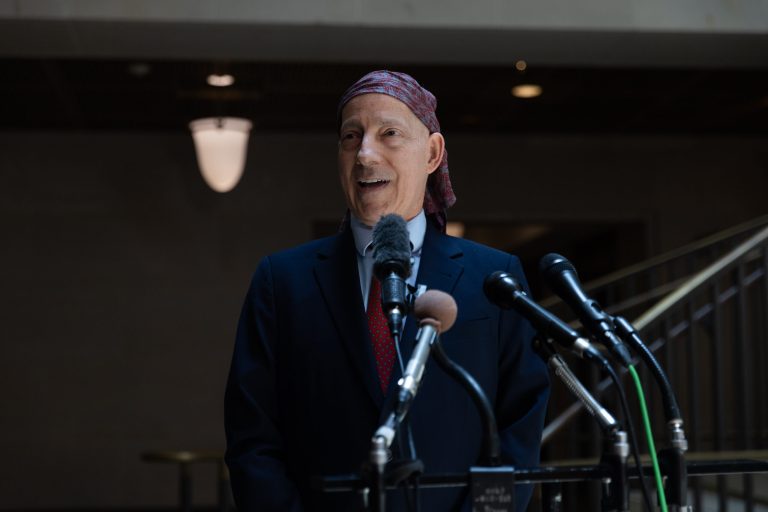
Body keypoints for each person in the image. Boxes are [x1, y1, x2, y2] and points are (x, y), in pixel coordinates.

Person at [224, 70, 550, 511]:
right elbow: (253, 436)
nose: (365, 154)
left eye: (389, 133)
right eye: (350, 136)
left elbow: (520, 424)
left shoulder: (493, 276)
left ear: (433, 153)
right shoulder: (282, 280)